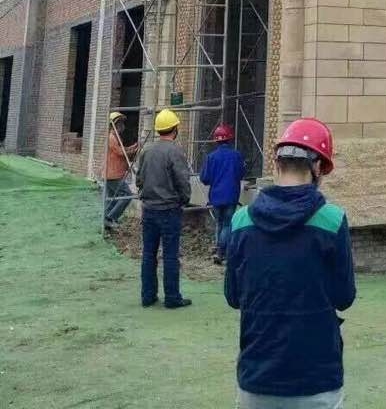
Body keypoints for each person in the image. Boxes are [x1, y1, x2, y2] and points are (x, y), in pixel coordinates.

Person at [224, 117, 356, 409]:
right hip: (317, 380)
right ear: (318, 167)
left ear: (276, 163)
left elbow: (233, 297)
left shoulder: (241, 220)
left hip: (256, 378)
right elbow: (344, 297)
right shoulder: (333, 220)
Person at [135, 108, 192, 310]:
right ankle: (172, 297)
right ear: (175, 129)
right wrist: (184, 199)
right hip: (169, 210)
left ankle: (148, 296)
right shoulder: (175, 152)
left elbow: (139, 180)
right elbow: (182, 181)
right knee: (170, 255)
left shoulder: (147, 151)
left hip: (149, 209)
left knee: (148, 254)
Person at [199, 123, 245, 265]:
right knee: (226, 224)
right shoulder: (236, 156)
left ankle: (219, 249)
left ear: (216, 140)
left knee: (219, 223)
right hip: (231, 196)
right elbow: (241, 174)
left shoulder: (211, 157)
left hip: (216, 196)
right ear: (230, 139)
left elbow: (204, 178)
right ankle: (221, 252)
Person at [103, 111, 138, 228]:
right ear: (115, 124)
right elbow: (120, 152)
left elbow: (122, 149)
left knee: (112, 199)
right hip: (113, 175)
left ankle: (106, 220)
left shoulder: (116, 138)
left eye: (122, 123)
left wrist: (133, 147)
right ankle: (111, 218)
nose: (122, 126)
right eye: (120, 123)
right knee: (127, 195)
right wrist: (133, 150)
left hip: (112, 174)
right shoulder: (112, 138)